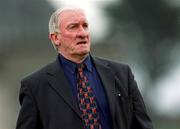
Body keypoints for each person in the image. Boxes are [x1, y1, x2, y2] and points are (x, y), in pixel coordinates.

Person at [16, 7, 153, 129]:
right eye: (73, 27)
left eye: (85, 26)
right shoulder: (35, 86)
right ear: (55, 38)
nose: (82, 33)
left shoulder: (122, 74)